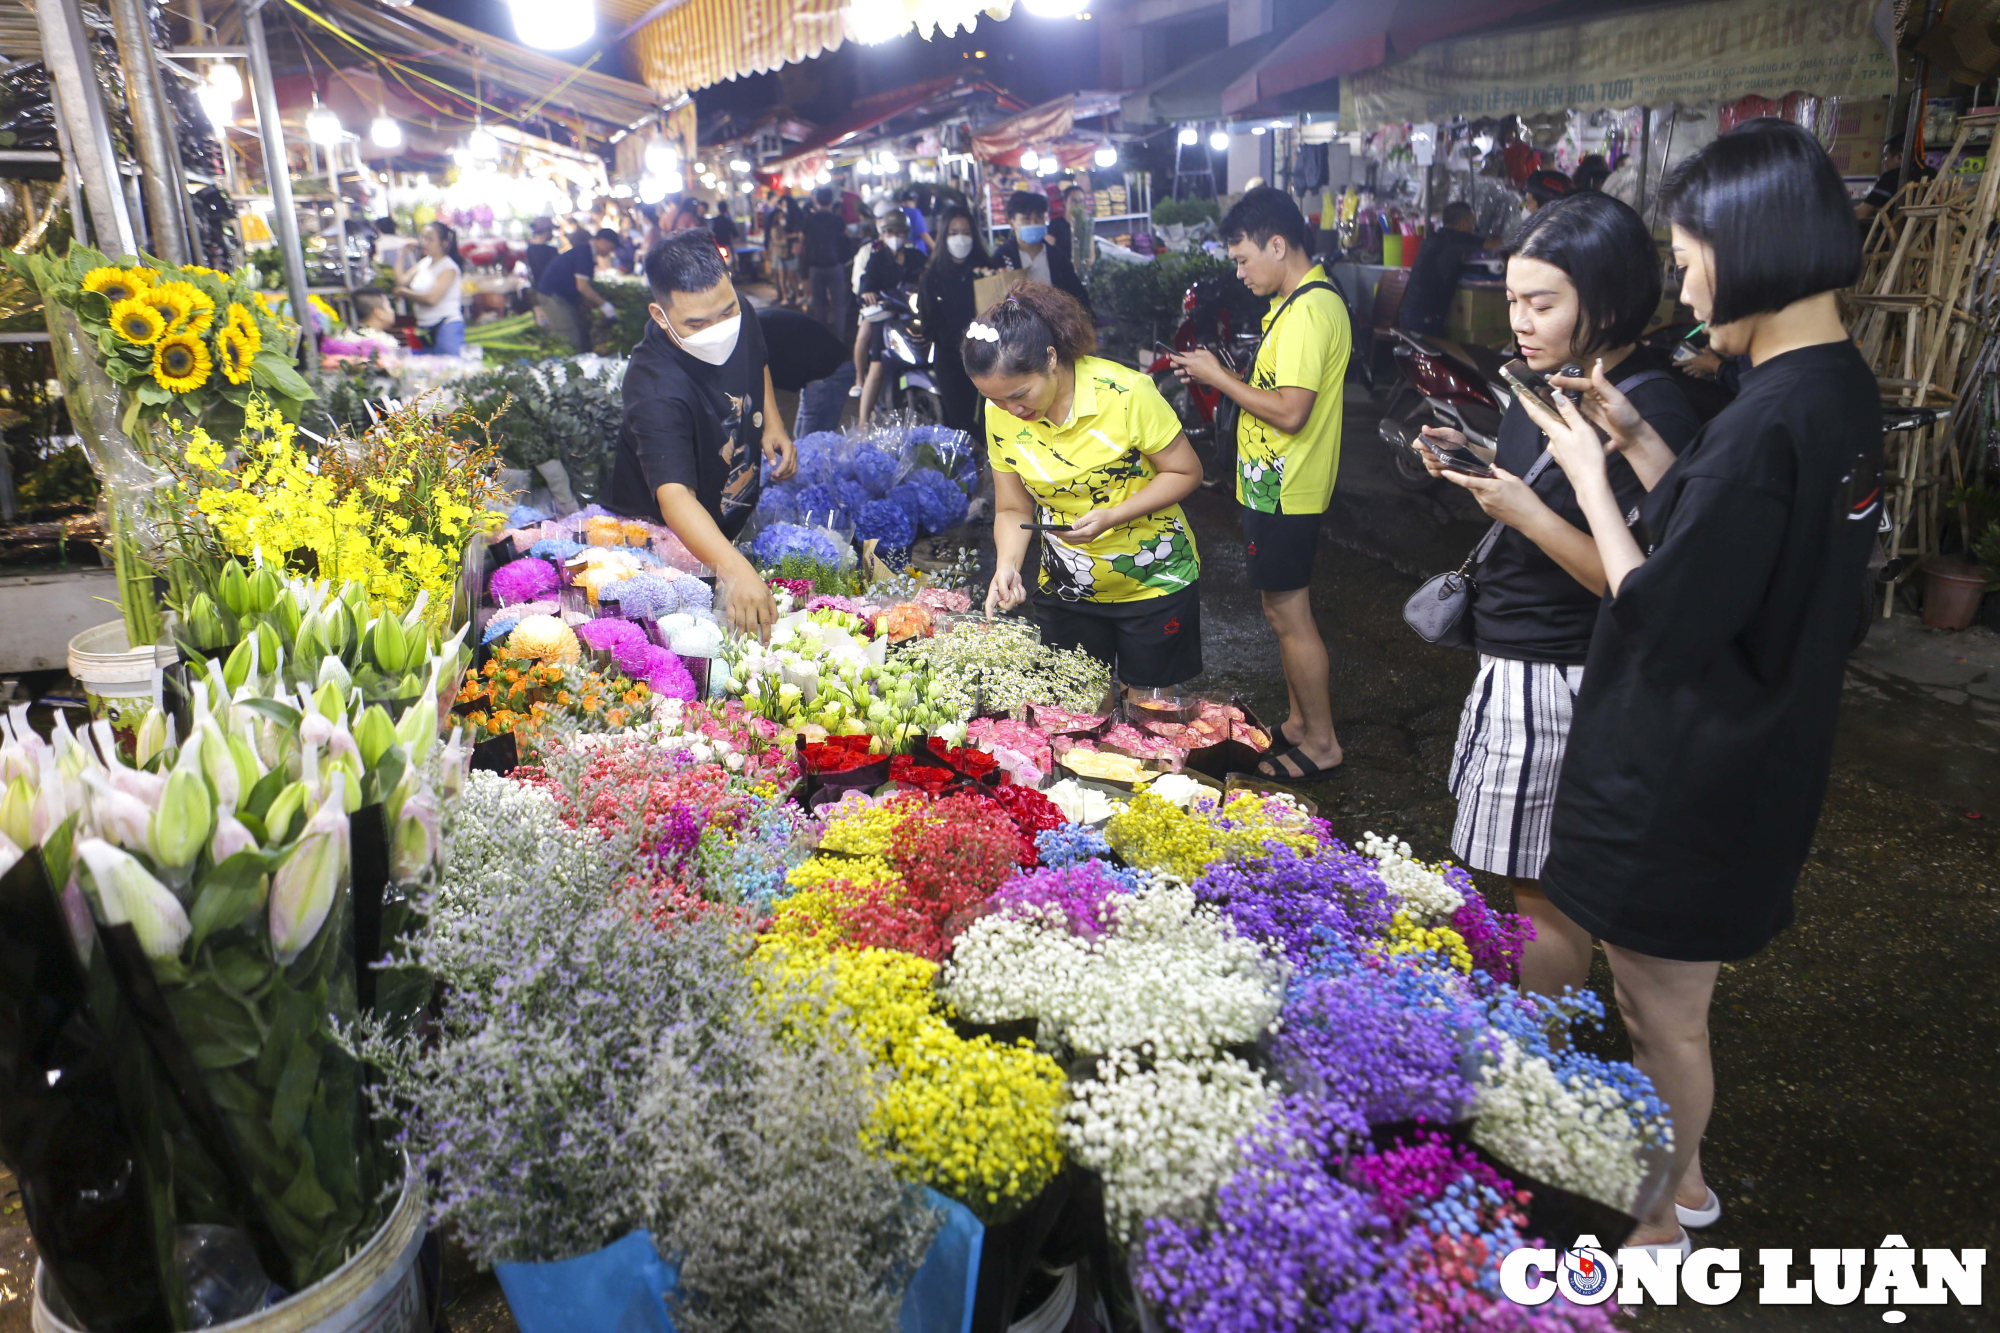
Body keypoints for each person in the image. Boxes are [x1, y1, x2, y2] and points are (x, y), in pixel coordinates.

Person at [1519, 119, 1882, 1255]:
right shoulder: (1830, 392)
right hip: (1759, 745)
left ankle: (1658, 1224)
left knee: (1660, 1015)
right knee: (1663, 1004)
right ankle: (1680, 1189)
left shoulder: (1767, 414)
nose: (1679, 278)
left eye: (1688, 253)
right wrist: (1631, 442)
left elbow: (1661, 610)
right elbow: (1730, 548)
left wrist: (1582, 480)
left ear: (1750, 245)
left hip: (1693, 764)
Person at [1409, 192, 1702, 998]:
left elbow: (1635, 579)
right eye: (1512, 301)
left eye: (1542, 303)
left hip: (1562, 673)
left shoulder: (1645, 405)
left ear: (1606, 298)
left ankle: (1541, 1059)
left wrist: (1529, 515)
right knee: (1525, 886)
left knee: (1544, 896)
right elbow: (1543, 478)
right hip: (1517, 656)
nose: (1522, 323)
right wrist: (1470, 451)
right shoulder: (1559, 376)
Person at [1169, 187, 1348, 781]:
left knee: (1290, 614)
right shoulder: (1295, 304)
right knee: (1279, 611)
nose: (1240, 272)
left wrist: (1219, 378)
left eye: (1244, 258)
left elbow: (1291, 412)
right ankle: (1299, 723)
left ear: (1278, 244)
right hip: (1273, 485)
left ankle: (1321, 743)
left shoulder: (1307, 311)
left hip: (1287, 488)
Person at [972, 282, 1205, 689]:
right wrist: (1006, 566)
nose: (1012, 410)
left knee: (1151, 716)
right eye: (996, 400)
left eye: (1020, 394)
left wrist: (1114, 515)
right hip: (1067, 588)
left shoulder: (1127, 393)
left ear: (1050, 357)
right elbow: (1012, 508)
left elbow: (1185, 471)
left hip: (1154, 581)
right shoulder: (1001, 414)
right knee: (1077, 714)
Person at [607, 231, 797, 640]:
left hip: (725, 511)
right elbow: (675, 496)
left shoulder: (735, 310)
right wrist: (733, 568)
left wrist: (773, 422)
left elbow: (756, 358)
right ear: (660, 315)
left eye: (725, 312)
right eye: (696, 323)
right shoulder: (653, 384)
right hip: (666, 542)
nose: (718, 328)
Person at [917, 206, 993, 434]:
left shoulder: (986, 269)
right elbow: (928, 322)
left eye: (966, 232)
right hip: (950, 362)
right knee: (959, 423)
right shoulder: (933, 276)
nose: (960, 238)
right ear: (944, 236)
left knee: (988, 420)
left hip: (988, 359)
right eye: (953, 233)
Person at [856, 211, 925, 423]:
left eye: (899, 232)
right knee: (876, 365)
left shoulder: (916, 257)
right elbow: (866, 281)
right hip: (886, 317)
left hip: (912, 315)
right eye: (890, 232)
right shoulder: (876, 258)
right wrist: (868, 293)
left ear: (906, 234)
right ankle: (862, 420)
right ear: (883, 234)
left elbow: (929, 275)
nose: (895, 236)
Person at [1399, 201, 1493, 335]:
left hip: (1408, 314)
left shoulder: (1434, 239)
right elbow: (1494, 245)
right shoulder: (1459, 238)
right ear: (1463, 223)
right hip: (1425, 320)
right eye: (1473, 225)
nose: (1473, 230)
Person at [993, 189, 1091, 312]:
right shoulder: (1002, 257)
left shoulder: (1057, 257)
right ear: (1012, 223)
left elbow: (1078, 296)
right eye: (1026, 218)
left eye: (1039, 217)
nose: (1034, 223)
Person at [535, 227, 620, 353]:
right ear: (602, 241)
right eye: (611, 248)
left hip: (560, 296)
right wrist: (604, 304)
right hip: (552, 296)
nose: (610, 252)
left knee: (576, 330)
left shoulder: (586, 251)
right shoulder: (585, 253)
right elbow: (583, 286)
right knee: (568, 335)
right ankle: (568, 366)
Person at [393, 221, 466, 356]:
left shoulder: (449, 268)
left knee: (448, 368)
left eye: (430, 239)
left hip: (446, 326)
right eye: (423, 238)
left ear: (444, 243)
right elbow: (401, 282)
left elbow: (432, 299)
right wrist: (401, 254)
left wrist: (404, 293)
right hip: (423, 327)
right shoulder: (424, 262)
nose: (424, 242)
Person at [802, 186, 849, 333]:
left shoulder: (809, 220)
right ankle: (840, 338)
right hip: (835, 265)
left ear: (816, 200)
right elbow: (845, 241)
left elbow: (803, 245)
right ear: (831, 201)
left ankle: (823, 339)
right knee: (839, 305)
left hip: (815, 267)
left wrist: (803, 270)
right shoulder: (837, 220)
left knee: (819, 305)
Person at [1857, 134, 1935, 222]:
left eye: (1886, 156)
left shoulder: (1891, 177)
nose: (1883, 161)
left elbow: (1861, 214)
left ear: (1899, 157)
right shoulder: (1934, 174)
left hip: (1896, 234)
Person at [524, 218, 558, 287]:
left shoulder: (530, 249)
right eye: (551, 230)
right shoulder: (551, 250)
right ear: (545, 231)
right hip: (551, 290)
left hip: (540, 288)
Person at [897, 187, 932, 255]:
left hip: (903, 254)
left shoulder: (898, 213)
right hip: (917, 252)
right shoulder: (914, 212)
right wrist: (937, 250)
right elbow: (924, 234)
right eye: (913, 200)